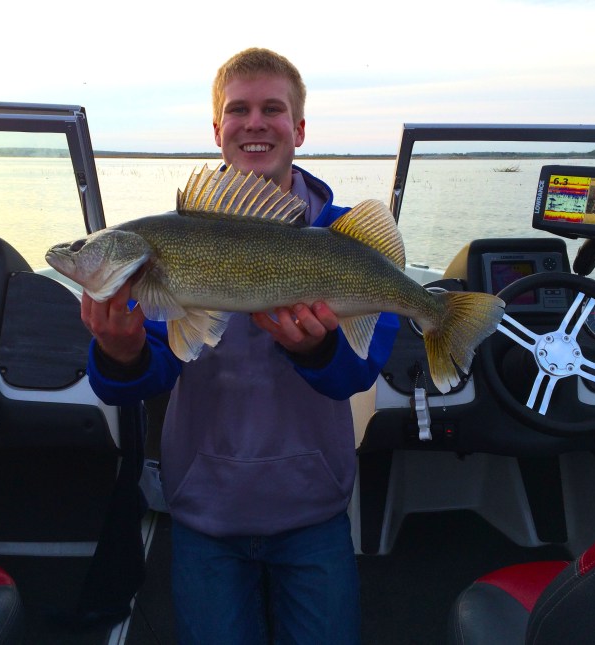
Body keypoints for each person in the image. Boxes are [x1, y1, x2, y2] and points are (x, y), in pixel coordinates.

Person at [82, 47, 399, 644]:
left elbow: (361, 368)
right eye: (239, 110)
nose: (255, 122)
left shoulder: (340, 236)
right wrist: (119, 352)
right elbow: (145, 372)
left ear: (299, 128)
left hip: (315, 511)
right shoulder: (166, 244)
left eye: (272, 109)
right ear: (218, 129)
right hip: (206, 513)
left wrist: (314, 351)